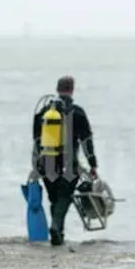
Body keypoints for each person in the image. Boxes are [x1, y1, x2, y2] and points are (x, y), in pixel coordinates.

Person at [32, 75, 98, 246]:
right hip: (69, 165)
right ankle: (55, 227)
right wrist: (93, 164)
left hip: (46, 162)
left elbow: (36, 139)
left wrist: (36, 164)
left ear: (57, 89)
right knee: (65, 196)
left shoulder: (44, 111)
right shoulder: (78, 112)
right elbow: (86, 141)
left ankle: (58, 235)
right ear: (72, 90)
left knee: (54, 198)